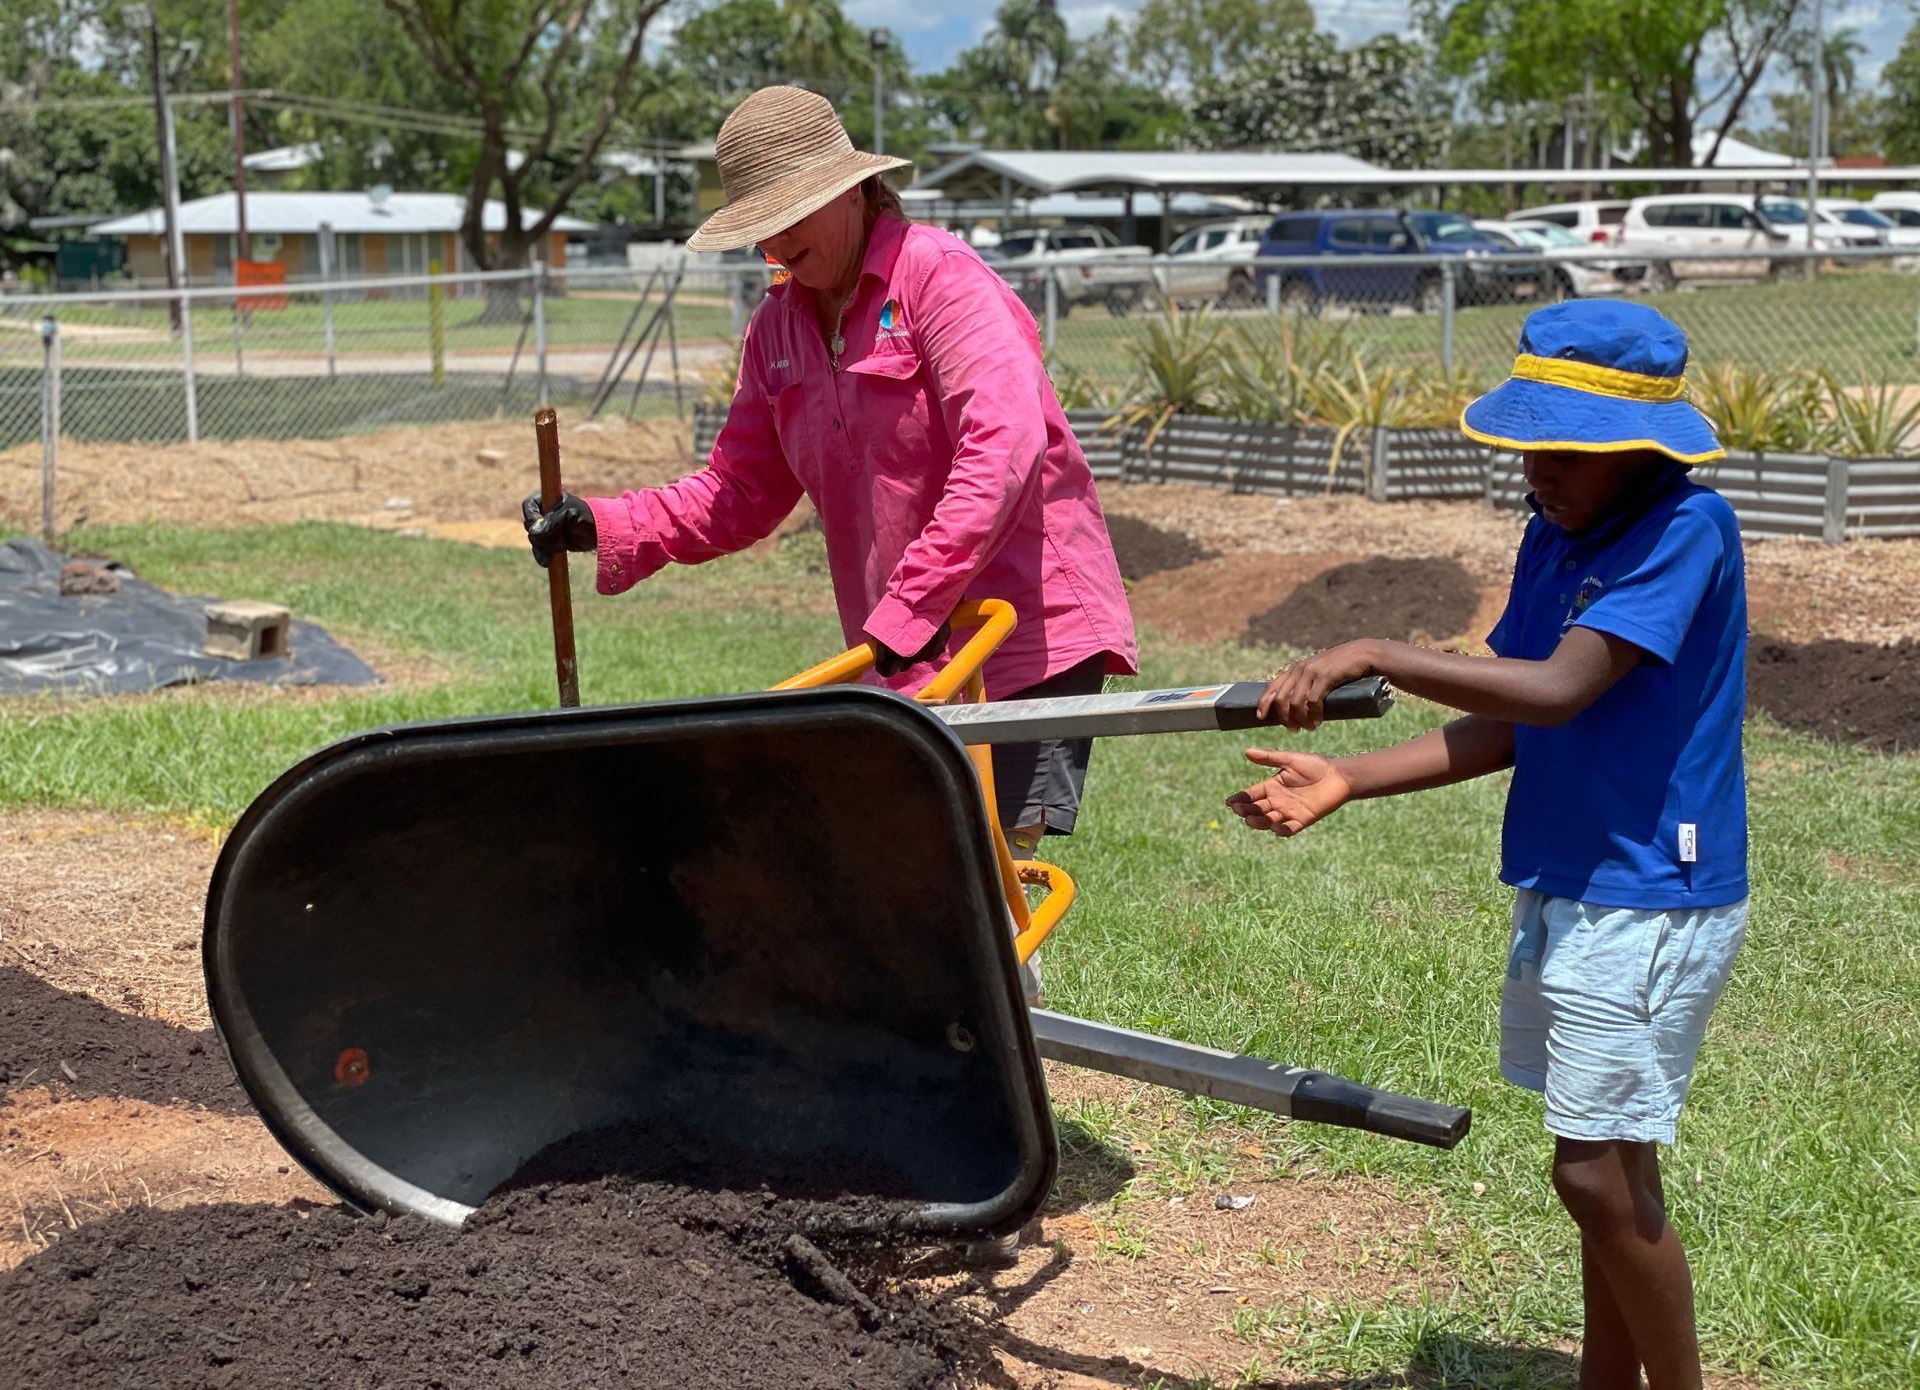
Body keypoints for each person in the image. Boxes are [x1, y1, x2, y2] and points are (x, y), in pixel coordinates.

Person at [1227, 301, 1748, 1390]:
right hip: (1574, 878)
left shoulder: (1687, 532)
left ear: (1639, 449)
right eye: (1529, 446)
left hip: (1653, 885)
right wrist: (1352, 779)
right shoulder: (1554, 536)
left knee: (1594, 1176)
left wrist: (1377, 648)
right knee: (1614, 1166)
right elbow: (1513, 720)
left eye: (1567, 451)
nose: (1538, 471)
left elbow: (1562, 688)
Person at [523, 85, 1135, 876]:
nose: (774, 243)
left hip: (1018, 635)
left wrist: (911, 606)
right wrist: (603, 524)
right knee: (907, 874)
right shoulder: (778, 327)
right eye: (760, 225)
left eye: (792, 214)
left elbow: (1004, 449)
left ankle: (998, 997)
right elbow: (739, 493)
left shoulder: (942, 281)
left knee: (980, 884)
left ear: (852, 189)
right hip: (907, 653)